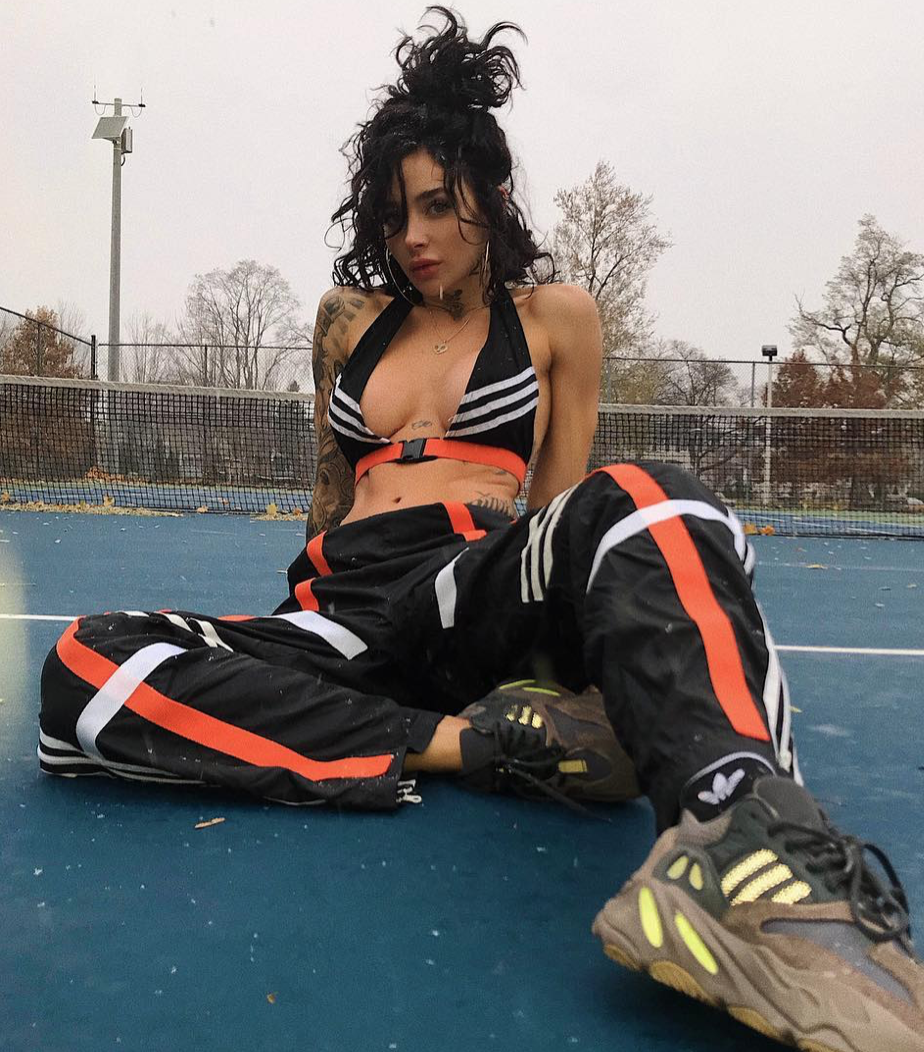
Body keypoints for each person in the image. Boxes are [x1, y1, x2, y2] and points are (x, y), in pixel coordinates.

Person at [39, 9, 922, 1050]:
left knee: (656, 498)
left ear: (488, 197)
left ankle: (744, 844)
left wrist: (582, 660)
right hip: (336, 617)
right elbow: (326, 501)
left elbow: (560, 516)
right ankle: (482, 745)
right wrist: (279, 665)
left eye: (436, 206)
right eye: (393, 215)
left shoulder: (555, 316)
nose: (412, 237)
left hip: (464, 585)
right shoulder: (348, 323)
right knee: (83, 663)